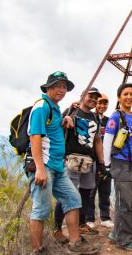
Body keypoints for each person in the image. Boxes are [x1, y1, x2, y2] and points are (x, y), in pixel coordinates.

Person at [27, 71, 98, 254]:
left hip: (58, 166)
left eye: (64, 87)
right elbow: (35, 137)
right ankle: (38, 250)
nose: (61, 90)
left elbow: (51, 130)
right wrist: (40, 169)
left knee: (73, 200)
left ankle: (75, 243)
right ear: (48, 87)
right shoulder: (42, 106)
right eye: (58, 85)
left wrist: (65, 119)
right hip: (44, 166)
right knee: (41, 209)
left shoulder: (55, 107)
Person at [53, 87, 104, 238]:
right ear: (82, 96)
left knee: (86, 193)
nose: (93, 100)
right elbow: (58, 127)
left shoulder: (96, 117)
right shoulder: (72, 111)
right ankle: (57, 228)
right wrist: (67, 115)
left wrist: (101, 162)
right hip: (71, 160)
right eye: (91, 96)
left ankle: (81, 224)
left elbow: (97, 140)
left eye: (96, 98)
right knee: (67, 194)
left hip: (89, 162)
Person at [103, 83, 132, 252]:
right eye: (125, 94)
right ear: (119, 97)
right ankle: (124, 240)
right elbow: (107, 141)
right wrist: (107, 166)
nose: (129, 97)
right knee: (124, 205)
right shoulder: (116, 117)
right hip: (122, 165)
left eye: (131, 94)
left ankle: (117, 232)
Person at [86, 94, 114, 229]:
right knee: (91, 189)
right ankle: (89, 218)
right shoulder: (89, 118)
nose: (102, 106)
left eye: (105, 103)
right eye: (100, 103)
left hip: (107, 161)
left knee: (105, 190)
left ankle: (105, 217)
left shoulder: (110, 121)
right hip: (92, 159)